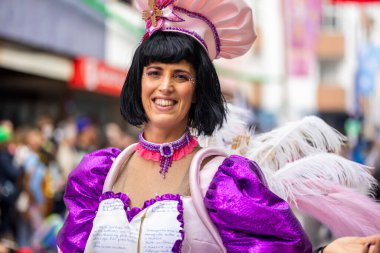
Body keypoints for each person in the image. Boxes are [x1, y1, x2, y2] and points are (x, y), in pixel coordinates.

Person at [57, 0, 380, 252]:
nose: (165, 87)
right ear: (138, 82)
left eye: (180, 76)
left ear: (198, 91)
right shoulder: (98, 173)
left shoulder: (224, 181)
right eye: (154, 72)